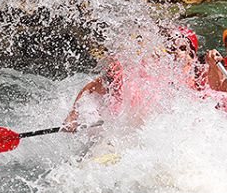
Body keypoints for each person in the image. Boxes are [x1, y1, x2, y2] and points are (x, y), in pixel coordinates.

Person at [63, 26, 201, 130]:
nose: (176, 53)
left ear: (193, 57)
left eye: (183, 49)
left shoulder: (199, 84)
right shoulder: (147, 74)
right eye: (170, 48)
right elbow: (92, 87)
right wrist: (73, 116)